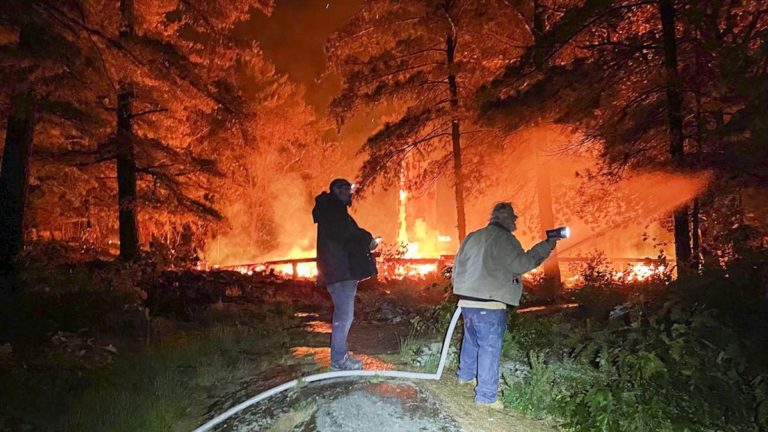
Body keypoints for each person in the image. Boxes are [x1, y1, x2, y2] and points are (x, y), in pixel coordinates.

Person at [451, 202, 560, 406]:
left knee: (472, 340)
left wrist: (463, 292)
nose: (515, 222)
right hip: (490, 304)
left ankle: (464, 377)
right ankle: (486, 397)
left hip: (466, 301)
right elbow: (522, 264)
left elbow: (457, 266)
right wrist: (547, 244)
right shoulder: (505, 240)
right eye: (513, 218)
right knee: (489, 347)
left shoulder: (473, 236)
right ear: (505, 218)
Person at [312, 178, 378, 370]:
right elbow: (347, 234)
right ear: (337, 191)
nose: (350, 195)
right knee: (344, 316)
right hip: (340, 271)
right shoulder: (334, 212)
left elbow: (345, 235)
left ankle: (340, 356)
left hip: (338, 270)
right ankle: (339, 360)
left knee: (344, 314)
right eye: (347, 190)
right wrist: (367, 238)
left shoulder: (331, 211)